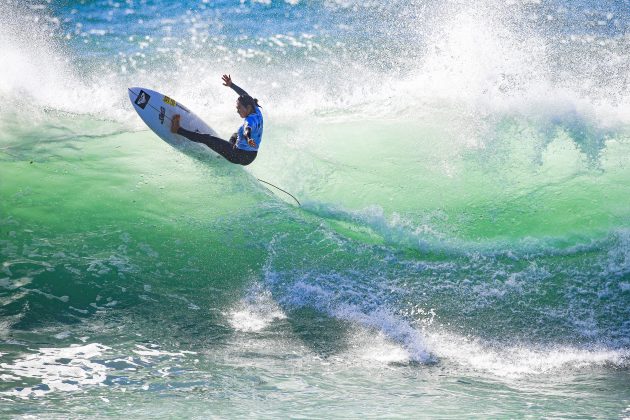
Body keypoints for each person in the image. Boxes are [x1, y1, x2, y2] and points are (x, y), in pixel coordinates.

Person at [170, 74, 263, 166]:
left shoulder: (249, 120)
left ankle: (177, 129)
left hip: (238, 155)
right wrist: (231, 85)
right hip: (251, 156)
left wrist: (249, 138)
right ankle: (225, 152)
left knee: (206, 138)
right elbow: (244, 94)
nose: (237, 110)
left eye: (239, 108)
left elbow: (247, 130)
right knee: (235, 135)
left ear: (248, 108)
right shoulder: (256, 110)